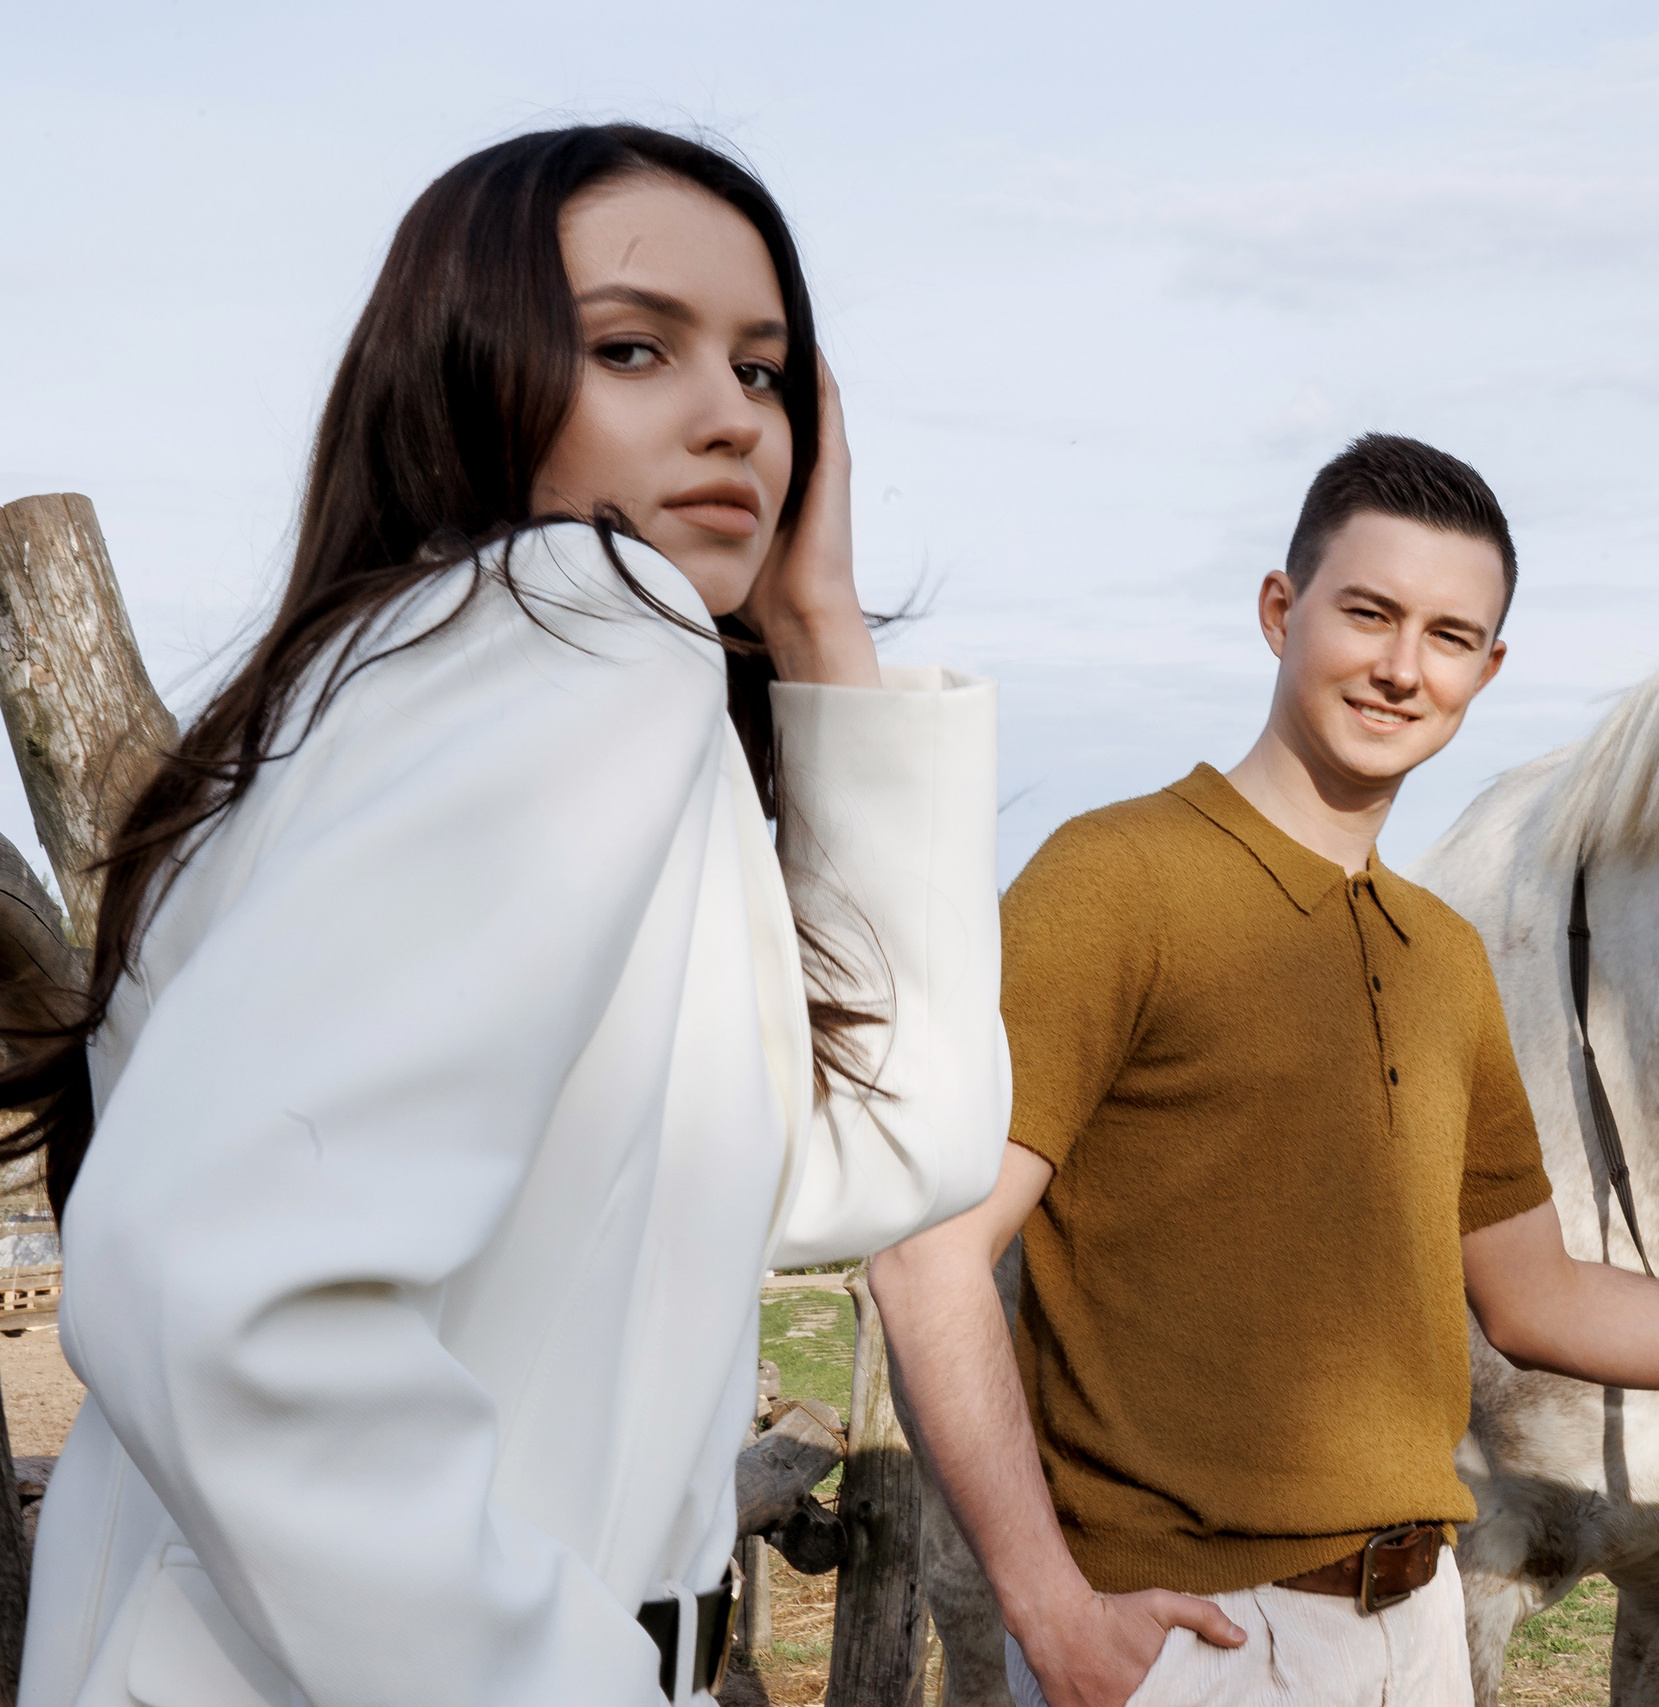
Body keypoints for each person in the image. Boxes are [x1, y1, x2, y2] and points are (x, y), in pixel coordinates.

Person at [6, 126, 1007, 1706]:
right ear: (469, 373)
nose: (730, 419)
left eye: (765, 371)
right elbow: (219, 1280)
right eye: (633, 347)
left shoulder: (384, 680)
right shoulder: (588, 633)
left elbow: (880, 1150)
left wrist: (818, 618)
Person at [870, 434, 1659, 1707]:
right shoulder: (1114, 878)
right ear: (1280, 611)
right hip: (1182, 1642)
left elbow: (1540, 1302)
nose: (1397, 668)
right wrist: (1049, 1610)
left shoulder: (1441, 955)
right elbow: (929, 1254)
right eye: (1365, 613)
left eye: (1445, 636)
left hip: (1411, 1627)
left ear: (1487, 669)